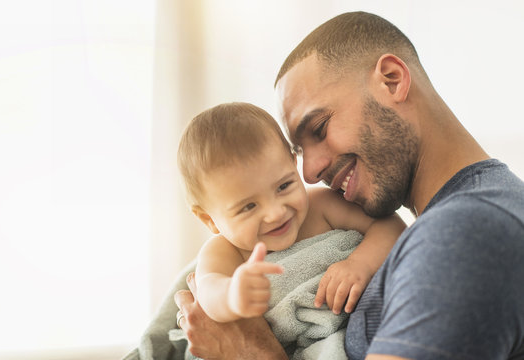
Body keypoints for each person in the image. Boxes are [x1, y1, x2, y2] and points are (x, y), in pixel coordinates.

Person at [174, 11, 524, 360]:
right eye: (298, 151)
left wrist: (253, 353)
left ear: (391, 80)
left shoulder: (465, 234)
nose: (309, 173)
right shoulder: (473, 218)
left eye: (321, 128)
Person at [176, 102, 405, 324]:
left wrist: (360, 263)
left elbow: (389, 226)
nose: (276, 213)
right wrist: (233, 295)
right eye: (249, 207)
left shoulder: (322, 205)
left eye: (284, 186)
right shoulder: (225, 251)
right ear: (209, 219)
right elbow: (207, 293)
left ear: (293, 163)